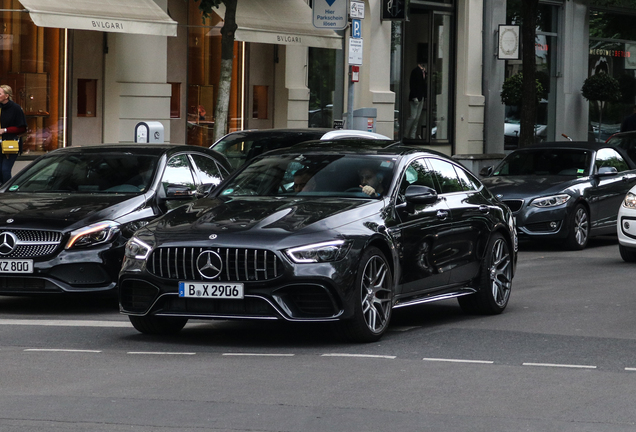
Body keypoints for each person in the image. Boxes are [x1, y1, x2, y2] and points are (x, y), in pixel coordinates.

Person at [0, 85, 27, 184]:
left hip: (10, 144)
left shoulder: (15, 108)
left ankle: (8, 191)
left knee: (5, 170)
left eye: (0, 93)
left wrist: (5, 130)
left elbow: (22, 128)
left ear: (7, 96)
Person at [405, 62, 427, 139]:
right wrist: (414, 97)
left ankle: (412, 135)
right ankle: (406, 134)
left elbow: (423, 85)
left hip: (421, 97)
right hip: (416, 97)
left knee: (417, 118)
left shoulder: (423, 72)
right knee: (413, 117)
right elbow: (413, 84)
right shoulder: (415, 71)